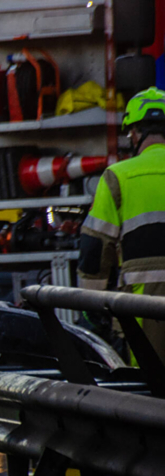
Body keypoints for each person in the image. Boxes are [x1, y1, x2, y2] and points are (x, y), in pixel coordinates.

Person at [78, 87, 165, 360]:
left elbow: (94, 251)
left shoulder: (117, 177)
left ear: (135, 134)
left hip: (141, 313)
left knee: (144, 395)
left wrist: (92, 309)